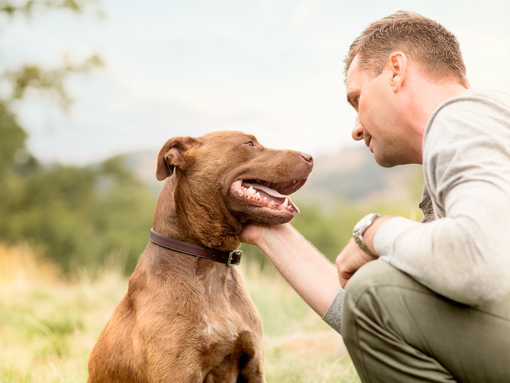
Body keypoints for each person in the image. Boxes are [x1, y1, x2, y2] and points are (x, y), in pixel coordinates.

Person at [240, 10, 510, 383]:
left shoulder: (460, 117)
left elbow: (475, 262)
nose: (355, 128)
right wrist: (263, 229)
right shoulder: (477, 138)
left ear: (396, 71)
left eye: (356, 98)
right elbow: (378, 318)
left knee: (374, 288)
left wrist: (373, 230)